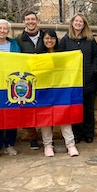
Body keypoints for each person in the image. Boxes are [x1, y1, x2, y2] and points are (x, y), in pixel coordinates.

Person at [59, 13, 97, 144]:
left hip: (89, 79)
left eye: (81, 22)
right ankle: (77, 134)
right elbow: (60, 58)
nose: (78, 23)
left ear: (84, 24)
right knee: (75, 109)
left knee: (88, 109)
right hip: (73, 81)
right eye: (76, 21)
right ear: (72, 23)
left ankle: (89, 133)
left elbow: (96, 56)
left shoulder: (90, 40)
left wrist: (94, 68)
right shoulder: (66, 40)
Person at [40, 29, 79, 157]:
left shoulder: (62, 55)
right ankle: (48, 145)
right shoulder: (38, 55)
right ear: (43, 40)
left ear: (56, 40)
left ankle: (70, 144)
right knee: (45, 119)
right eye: (46, 38)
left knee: (64, 116)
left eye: (52, 38)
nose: (49, 40)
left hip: (60, 90)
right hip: (44, 90)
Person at [0, 19, 21, 158]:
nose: (2, 31)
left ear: (8, 31)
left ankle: (9, 144)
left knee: (11, 113)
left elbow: (20, 60)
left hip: (11, 83)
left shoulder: (14, 44)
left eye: (5, 28)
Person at [16, 11, 47, 150]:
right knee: (27, 108)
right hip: (26, 79)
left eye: (33, 19)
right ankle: (33, 137)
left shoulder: (45, 36)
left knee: (45, 106)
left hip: (44, 76)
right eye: (27, 19)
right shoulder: (19, 39)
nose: (30, 22)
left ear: (37, 21)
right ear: (24, 22)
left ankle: (47, 137)